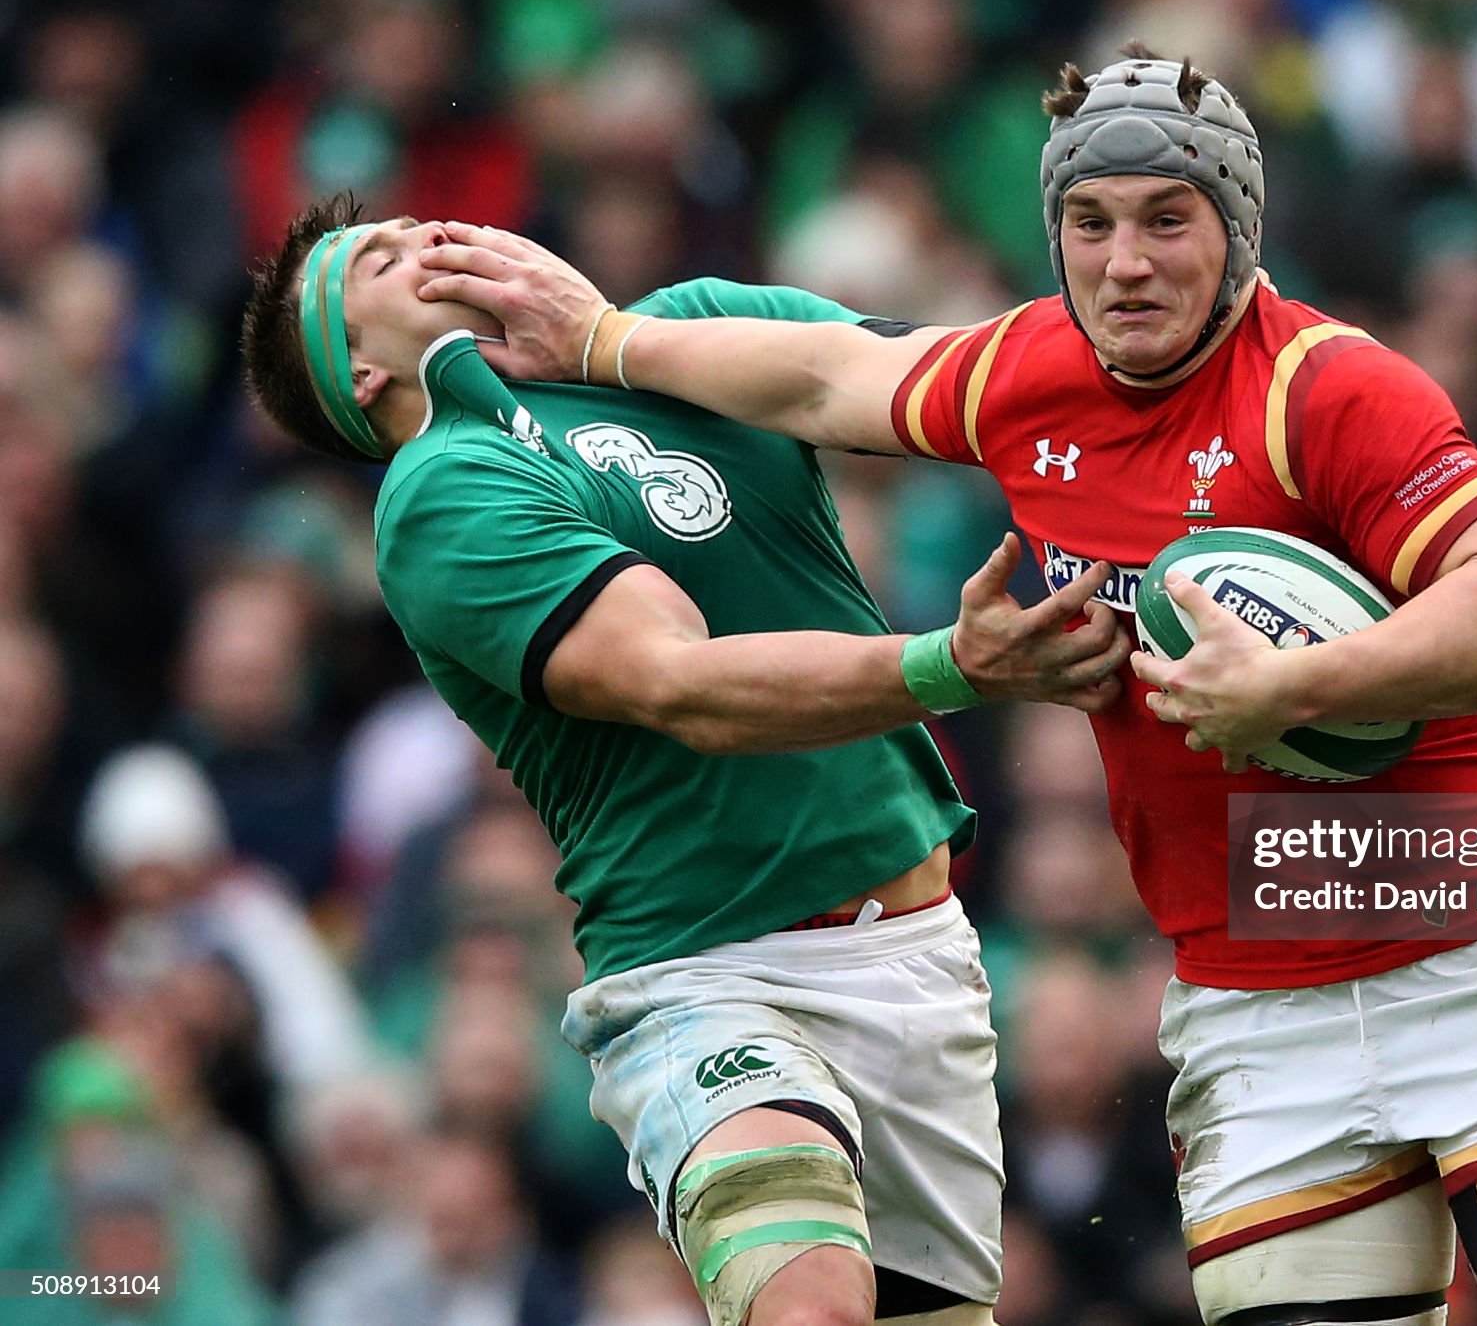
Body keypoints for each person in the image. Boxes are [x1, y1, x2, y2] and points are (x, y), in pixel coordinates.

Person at [419, 48, 1477, 1326]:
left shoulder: (1326, 388)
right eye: (1090, 221)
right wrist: (602, 337)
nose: (1124, 261)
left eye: (1165, 219)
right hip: (1251, 989)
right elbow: (821, 377)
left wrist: (1297, 682)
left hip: (1473, 928)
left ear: (1237, 229)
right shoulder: (1030, 369)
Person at [237, 193, 1135, 1326]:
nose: (428, 239)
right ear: (362, 374)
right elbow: (680, 681)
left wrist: (1145, 339)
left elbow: (927, 381)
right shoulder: (439, 492)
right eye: (380, 259)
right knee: (808, 1301)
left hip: (918, 957)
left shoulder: (684, 327)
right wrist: (952, 666)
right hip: (707, 972)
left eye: (421, 223)